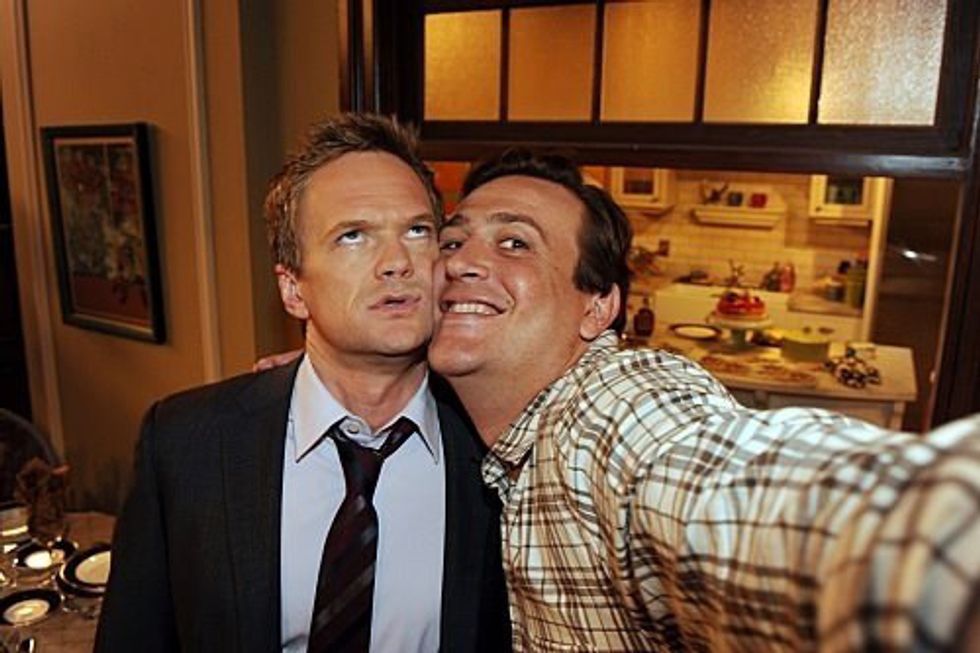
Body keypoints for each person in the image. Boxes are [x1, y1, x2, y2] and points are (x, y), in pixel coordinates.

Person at [427, 148, 980, 651]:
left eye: (516, 243)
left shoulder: (611, 406)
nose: (459, 262)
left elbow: (719, 484)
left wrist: (932, 533)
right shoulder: (476, 447)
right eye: (451, 241)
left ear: (597, 308)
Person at [95, 114, 511, 652]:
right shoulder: (185, 443)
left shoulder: (497, 450)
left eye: (417, 231)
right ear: (293, 289)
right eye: (353, 236)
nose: (397, 262)